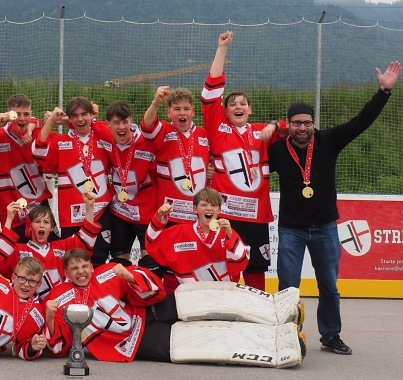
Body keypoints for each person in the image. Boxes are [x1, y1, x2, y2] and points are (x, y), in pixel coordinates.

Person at [267, 61, 401, 355]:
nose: (302, 128)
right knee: (288, 287)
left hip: (325, 228)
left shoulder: (328, 141)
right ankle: (286, 334)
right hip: (291, 230)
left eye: (307, 122)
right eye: (296, 123)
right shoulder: (276, 151)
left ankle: (330, 335)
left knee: (329, 285)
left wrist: (383, 92)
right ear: (288, 125)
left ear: (313, 123)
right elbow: (246, 161)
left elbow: (361, 121)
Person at [45, 249, 305, 367]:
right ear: (66, 272)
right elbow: (59, 347)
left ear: (91, 266)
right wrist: (49, 316)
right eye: (74, 268)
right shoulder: (59, 297)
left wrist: (130, 276)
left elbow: (156, 288)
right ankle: (280, 344)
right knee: (208, 339)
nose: (81, 272)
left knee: (206, 299)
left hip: (148, 310)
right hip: (135, 341)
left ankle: (278, 310)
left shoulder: (108, 270)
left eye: (84, 266)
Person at [201, 32, 283, 291]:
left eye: (243, 103)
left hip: (257, 216)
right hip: (227, 215)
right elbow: (210, 94)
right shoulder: (218, 129)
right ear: (224, 112)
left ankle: (258, 312)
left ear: (250, 109)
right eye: (232, 104)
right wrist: (222, 48)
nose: (238, 106)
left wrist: (275, 125)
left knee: (256, 270)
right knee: (228, 269)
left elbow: (292, 127)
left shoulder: (261, 131)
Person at [0, 191, 101, 300]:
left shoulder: (61, 247)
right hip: (32, 307)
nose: (42, 225)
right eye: (37, 221)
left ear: (52, 227)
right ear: (29, 226)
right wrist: (9, 219)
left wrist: (90, 208)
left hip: (62, 303)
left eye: (46, 222)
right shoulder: (19, 250)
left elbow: (85, 241)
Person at [0, 93, 50, 240]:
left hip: (40, 206)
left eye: (26, 114)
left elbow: (40, 122)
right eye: (17, 114)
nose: (22, 118)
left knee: (50, 249)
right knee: (17, 252)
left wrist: (33, 126)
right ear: (10, 114)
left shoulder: (36, 132)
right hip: (13, 212)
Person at [33, 97, 113, 239]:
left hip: (102, 212)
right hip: (71, 216)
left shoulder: (103, 138)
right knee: (73, 254)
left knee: (101, 253)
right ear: (69, 118)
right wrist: (51, 120)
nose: (80, 119)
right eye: (75, 116)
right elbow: (38, 153)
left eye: (84, 114)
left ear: (92, 115)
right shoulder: (60, 142)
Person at [146, 187, 250, 293]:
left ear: (219, 210)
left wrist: (230, 235)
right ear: (195, 209)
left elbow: (241, 263)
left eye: (213, 205)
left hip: (224, 295)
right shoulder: (180, 233)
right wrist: (159, 217)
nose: (209, 208)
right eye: (204, 205)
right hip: (192, 297)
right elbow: (153, 243)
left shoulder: (227, 233)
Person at [96, 101, 157, 265]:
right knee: (119, 262)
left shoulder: (147, 141)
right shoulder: (104, 135)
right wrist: (56, 120)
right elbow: (80, 120)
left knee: (151, 262)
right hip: (120, 211)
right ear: (108, 124)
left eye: (124, 122)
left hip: (146, 211)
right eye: (116, 122)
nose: (121, 127)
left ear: (131, 121)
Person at [141, 86, 211, 224]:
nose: (182, 113)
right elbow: (147, 126)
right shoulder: (164, 130)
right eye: (177, 109)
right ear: (168, 112)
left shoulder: (204, 135)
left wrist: (211, 170)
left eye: (186, 109)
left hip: (197, 214)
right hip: (170, 212)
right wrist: (156, 103)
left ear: (193, 112)